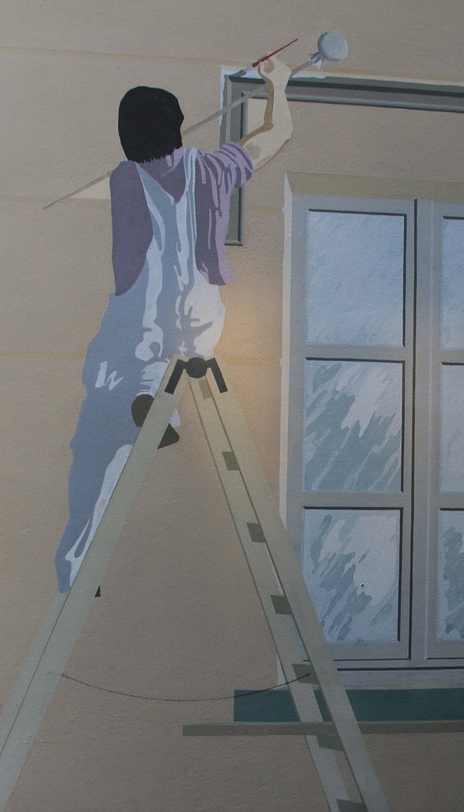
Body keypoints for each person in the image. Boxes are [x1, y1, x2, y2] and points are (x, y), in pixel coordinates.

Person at [54, 58, 293, 593]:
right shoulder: (212, 170)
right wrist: (277, 85)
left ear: (126, 137)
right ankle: (159, 411)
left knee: (95, 439)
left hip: (140, 322)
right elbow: (275, 135)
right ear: (179, 125)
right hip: (201, 320)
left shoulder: (123, 179)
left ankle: (77, 564)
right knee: (146, 391)